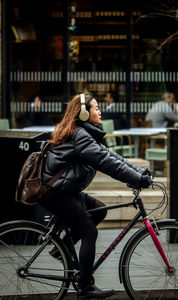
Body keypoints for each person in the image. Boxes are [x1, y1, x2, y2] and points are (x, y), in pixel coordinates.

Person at [40, 93, 152, 299]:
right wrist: (136, 180)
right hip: (54, 192)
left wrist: (138, 173)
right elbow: (106, 162)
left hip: (64, 190)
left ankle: (62, 248)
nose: (100, 111)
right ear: (83, 113)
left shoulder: (84, 133)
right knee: (89, 231)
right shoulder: (80, 135)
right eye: (96, 108)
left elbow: (113, 157)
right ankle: (85, 288)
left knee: (98, 210)